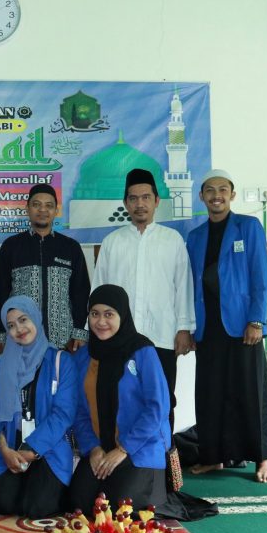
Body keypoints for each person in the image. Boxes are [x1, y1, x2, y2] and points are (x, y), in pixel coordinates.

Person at [186, 169, 267, 483]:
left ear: (232, 195)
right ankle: (214, 457)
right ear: (202, 196)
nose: (216, 196)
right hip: (209, 327)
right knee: (210, 394)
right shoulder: (195, 237)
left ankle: (263, 459)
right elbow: (191, 286)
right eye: (210, 190)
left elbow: (260, 277)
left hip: (242, 327)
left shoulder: (248, 227)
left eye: (222, 190)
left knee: (250, 391)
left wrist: (257, 320)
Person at [91, 168, 195, 423]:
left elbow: (183, 287)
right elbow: (99, 290)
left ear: (157, 201)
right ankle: (121, 460)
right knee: (119, 400)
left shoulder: (173, 240)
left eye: (146, 197)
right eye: (134, 198)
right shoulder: (112, 242)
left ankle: (163, 460)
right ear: (126, 203)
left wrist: (184, 329)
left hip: (161, 336)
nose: (140, 204)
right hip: (118, 340)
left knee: (162, 400)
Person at [69, 285, 171, 515]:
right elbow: (79, 410)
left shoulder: (142, 350)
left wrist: (124, 448)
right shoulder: (84, 356)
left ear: (122, 315)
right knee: (81, 503)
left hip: (139, 449)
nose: (101, 321)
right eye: (94, 314)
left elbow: (158, 407)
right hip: (99, 449)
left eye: (109, 314)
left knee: (119, 508)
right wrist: (93, 448)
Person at [0, 296, 80, 518]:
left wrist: (31, 450)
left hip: (48, 448)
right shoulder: (3, 362)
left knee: (37, 507)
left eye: (23, 319)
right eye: (11, 325)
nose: (19, 329)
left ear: (36, 319)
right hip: (10, 447)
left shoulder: (61, 361)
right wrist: (3, 448)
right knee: (2, 502)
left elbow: (63, 414)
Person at [0, 184, 91, 353]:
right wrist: (0, 334)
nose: (42, 210)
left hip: (62, 341)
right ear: (27, 209)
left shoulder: (70, 247)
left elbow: (81, 293)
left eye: (49, 205)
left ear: (56, 211)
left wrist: (79, 333)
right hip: (20, 340)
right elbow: (1, 293)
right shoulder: (11, 246)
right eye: (36, 204)